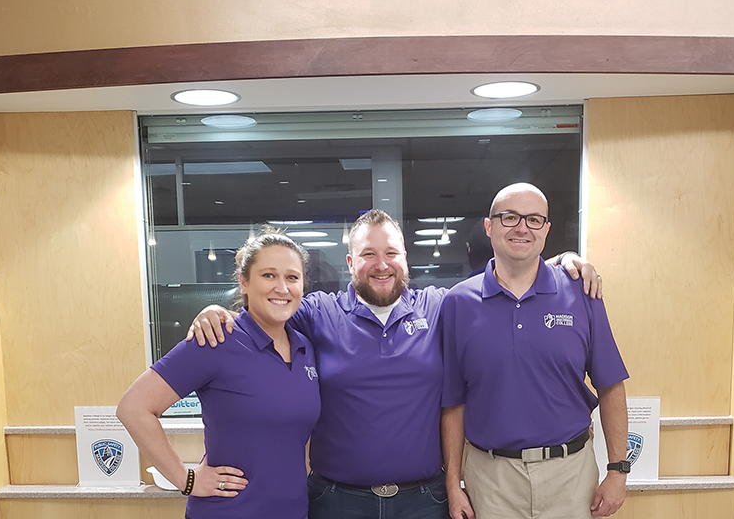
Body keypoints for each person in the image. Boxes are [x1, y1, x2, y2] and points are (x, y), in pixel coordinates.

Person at [188, 209, 603, 519]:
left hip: (424, 501)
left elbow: (505, 281)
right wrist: (215, 310)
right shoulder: (317, 313)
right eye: (368, 253)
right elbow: (266, 309)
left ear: (406, 259)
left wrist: (563, 262)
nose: (381, 263)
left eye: (391, 252)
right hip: (336, 502)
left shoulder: (442, 305)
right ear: (350, 263)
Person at [441, 183, 629, 519]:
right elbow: (453, 403)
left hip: (570, 476)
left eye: (534, 219)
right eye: (509, 217)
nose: (522, 228)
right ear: (489, 226)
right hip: (490, 479)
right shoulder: (458, 303)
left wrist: (617, 470)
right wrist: (454, 485)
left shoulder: (582, 292)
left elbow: (611, 384)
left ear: (546, 229)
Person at [117, 231, 320, 519]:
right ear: (244, 282)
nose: (282, 288)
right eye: (268, 275)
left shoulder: (306, 348)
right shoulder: (215, 340)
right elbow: (133, 407)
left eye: (292, 277)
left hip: (293, 512)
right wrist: (185, 479)